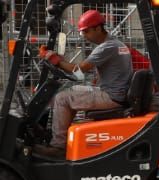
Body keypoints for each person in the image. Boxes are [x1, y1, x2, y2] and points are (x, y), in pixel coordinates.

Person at [36, 9, 134, 158]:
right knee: (73, 89)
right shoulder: (116, 44)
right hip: (116, 92)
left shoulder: (107, 47)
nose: (85, 36)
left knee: (62, 98)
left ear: (98, 28)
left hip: (111, 97)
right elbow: (80, 74)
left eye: (87, 32)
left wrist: (56, 61)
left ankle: (58, 146)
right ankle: (60, 134)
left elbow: (78, 69)